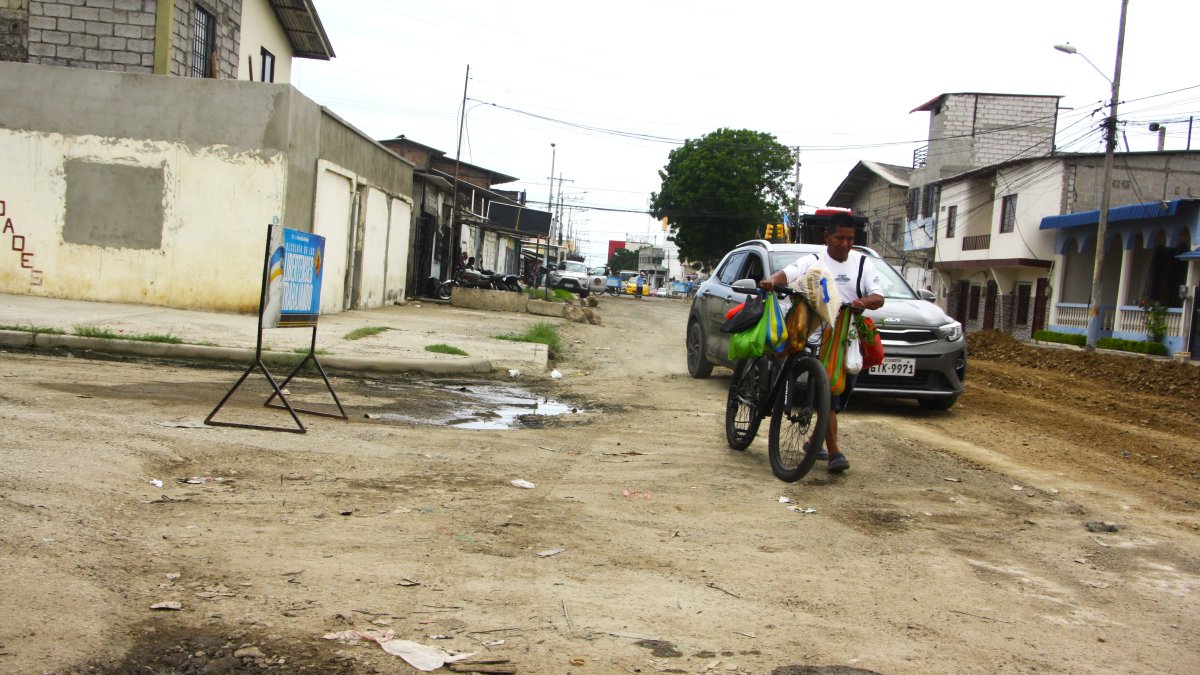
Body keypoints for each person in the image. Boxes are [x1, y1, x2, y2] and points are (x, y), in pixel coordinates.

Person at [759, 212, 884, 473]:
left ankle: (814, 441)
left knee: (839, 394)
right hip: (812, 336)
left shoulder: (863, 264)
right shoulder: (814, 261)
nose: (845, 244)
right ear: (827, 237)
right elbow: (787, 273)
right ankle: (835, 452)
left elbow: (878, 297)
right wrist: (771, 282)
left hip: (845, 339)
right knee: (831, 394)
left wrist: (862, 302)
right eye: (839, 238)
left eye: (850, 239)